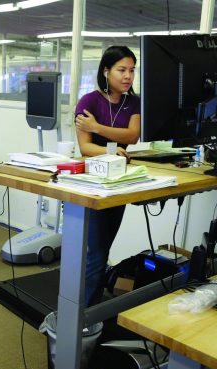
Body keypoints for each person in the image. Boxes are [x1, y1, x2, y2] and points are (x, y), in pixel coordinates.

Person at [74, 46, 141, 306]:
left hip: (119, 181)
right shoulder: (89, 101)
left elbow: (132, 136)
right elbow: (85, 148)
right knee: (97, 251)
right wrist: (113, 151)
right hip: (93, 180)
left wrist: (97, 127)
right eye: (121, 70)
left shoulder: (133, 102)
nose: (128, 76)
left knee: (103, 248)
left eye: (132, 71)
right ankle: (85, 312)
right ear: (106, 71)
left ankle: (91, 303)